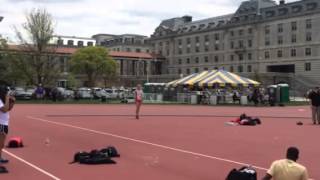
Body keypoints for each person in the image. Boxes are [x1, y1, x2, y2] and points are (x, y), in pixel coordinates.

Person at [0, 86, 15, 165]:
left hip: (4, 123)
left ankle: (0, 157)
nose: (7, 93)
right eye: (6, 92)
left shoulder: (3, 100)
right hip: (1, 123)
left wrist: (12, 101)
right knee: (0, 144)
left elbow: (8, 109)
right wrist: (7, 98)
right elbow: (4, 110)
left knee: (1, 144)